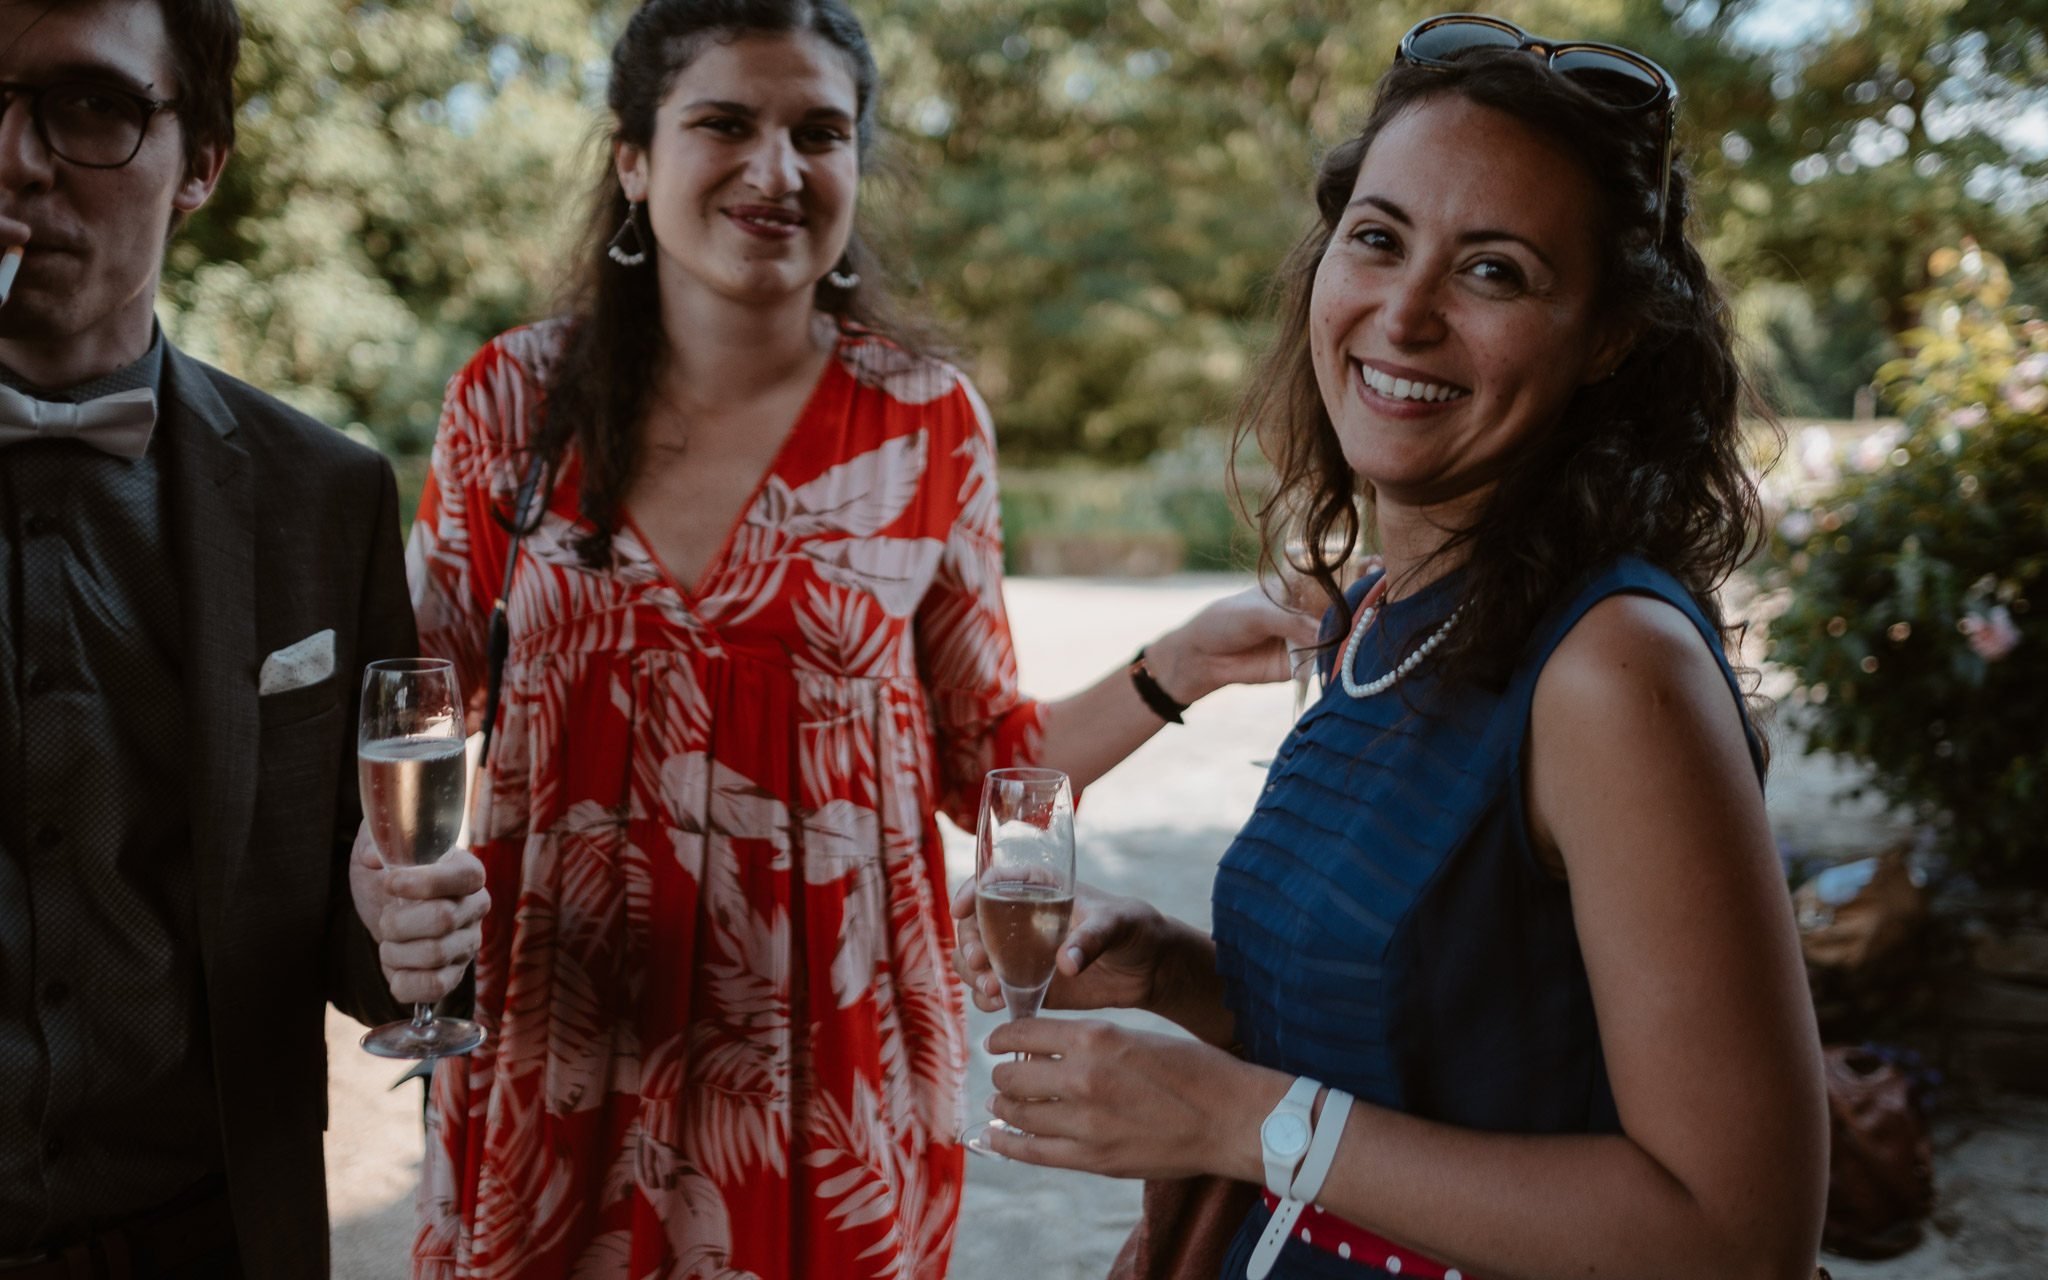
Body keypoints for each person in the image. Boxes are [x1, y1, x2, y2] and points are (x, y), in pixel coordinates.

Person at [403, 1, 1313, 1276]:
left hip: (825, 1059)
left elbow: (984, 756)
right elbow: (415, 719)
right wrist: (383, 882)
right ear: (632, 158)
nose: (775, 170)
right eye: (724, 121)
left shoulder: (925, 421)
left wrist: (1187, 663)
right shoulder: (508, 399)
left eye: (816, 132)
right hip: (562, 1034)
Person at [958, 19, 1831, 1280]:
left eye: (1494, 271)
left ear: (1608, 336)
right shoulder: (1385, 615)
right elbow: (1434, 1034)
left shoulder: (1611, 669)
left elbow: (1735, 1233)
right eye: (1377, 239)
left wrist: (1225, 1115)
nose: (1403, 313)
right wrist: (1180, 976)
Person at [0, 1, 484, 1276]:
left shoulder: (320, 494)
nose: (15, 156)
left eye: (89, 105)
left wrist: (395, 930)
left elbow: (351, 926)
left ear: (201, 161)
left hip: (207, 1237)